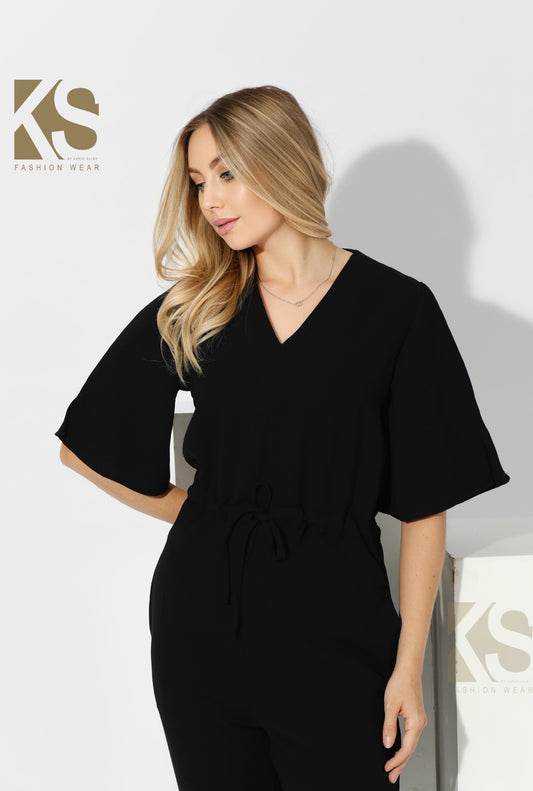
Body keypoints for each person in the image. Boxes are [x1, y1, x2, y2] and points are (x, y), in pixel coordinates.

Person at [55, 85, 510, 790]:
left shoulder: (396, 310)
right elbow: (84, 446)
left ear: (282, 160)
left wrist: (407, 667)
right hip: (200, 627)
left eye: (226, 173)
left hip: (340, 629)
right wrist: (201, 515)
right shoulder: (200, 305)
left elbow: (426, 502)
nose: (210, 199)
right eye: (198, 181)